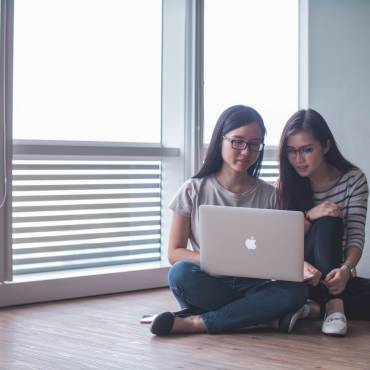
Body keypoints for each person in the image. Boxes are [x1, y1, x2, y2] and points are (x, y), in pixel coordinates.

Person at [150, 105, 308, 336]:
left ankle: (197, 323)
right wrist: (216, 260)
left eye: (254, 144)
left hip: (255, 283)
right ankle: (261, 316)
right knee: (179, 274)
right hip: (210, 281)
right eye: (238, 141)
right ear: (220, 141)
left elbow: (279, 251)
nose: (246, 151)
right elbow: (175, 253)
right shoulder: (193, 190)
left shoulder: (271, 194)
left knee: (295, 291)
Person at [277, 108, 370, 336]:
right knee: (329, 217)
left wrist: (346, 269)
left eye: (307, 150)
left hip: (334, 273)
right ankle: (334, 305)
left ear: (326, 146)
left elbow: (356, 235)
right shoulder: (286, 184)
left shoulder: (353, 180)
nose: (298, 159)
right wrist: (311, 215)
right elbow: (282, 243)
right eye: (292, 151)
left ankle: (314, 308)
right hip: (300, 272)